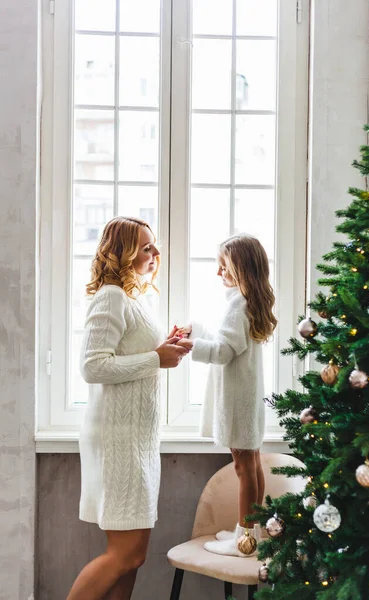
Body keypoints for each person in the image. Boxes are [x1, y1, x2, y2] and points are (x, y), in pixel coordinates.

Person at [67, 217, 190, 600]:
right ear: (122, 252)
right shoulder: (111, 296)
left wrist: (163, 347)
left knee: (132, 557)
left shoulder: (134, 299)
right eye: (145, 247)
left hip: (137, 440)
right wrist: (157, 358)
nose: (155, 253)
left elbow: (135, 354)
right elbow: (92, 367)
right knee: (123, 553)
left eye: (154, 246)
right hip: (119, 441)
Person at [175, 234, 277, 557]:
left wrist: (189, 345)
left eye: (224, 268)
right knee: (253, 465)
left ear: (241, 269)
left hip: (236, 405)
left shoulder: (238, 305)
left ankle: (244, 540)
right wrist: (199, 331)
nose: (219, 274)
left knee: (244, 469)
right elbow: (228, 343)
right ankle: (251, 533)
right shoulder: (249, 303)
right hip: (247, 402)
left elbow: (221, 352)